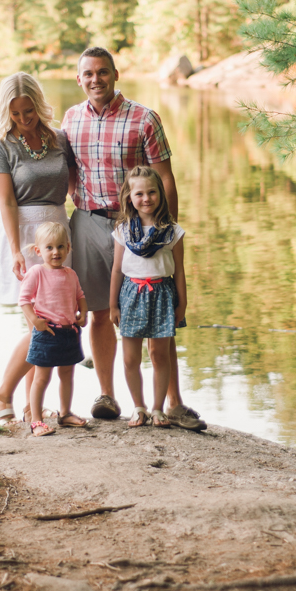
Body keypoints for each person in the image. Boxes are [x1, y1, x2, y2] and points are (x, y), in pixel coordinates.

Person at [62, 46, 205, 430]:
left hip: (140, 227)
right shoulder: (71, 119)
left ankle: (172, 402)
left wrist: (165, 231)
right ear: (79, 79)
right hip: (89, 223)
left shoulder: (143, 118)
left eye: (103, 72)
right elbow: (72, 171)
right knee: (99, 312)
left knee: (160, 312)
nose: (96, 80)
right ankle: (107, 396)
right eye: (88, 73)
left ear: (116, 74)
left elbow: (166, 177)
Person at [0, 72, 76, 425]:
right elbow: (6, 203)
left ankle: (28, 408)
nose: (23, 119)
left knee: (49, 317)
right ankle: (2, 395)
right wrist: (17, 250)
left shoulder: (58, 139)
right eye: (16, 113)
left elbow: (72, 185)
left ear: (39, 105)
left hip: (56, 230)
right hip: (22, 233)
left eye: (29, 111)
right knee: (39, 322)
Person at [109, 167, 187, 427]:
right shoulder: (123, 230)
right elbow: (117, 269)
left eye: (152, 192)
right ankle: (138, 407)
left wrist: (182, 304)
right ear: (129, 197)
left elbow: (179, 270)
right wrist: (113, 305)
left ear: (160, 194)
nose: (146, 198)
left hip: (162, 294)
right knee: (131, 357)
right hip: (131, 294)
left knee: (159, 355)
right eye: (139, 193)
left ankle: (157, 409)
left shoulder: (172, 231)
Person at [19, 222, 89, 436]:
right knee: (42, 377)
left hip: (69, 332)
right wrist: (35, 321)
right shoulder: (36, 273)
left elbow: (80, 296)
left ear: (68, 248)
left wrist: (83, 314)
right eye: (49, 248)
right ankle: (36, 420)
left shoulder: (70, 274)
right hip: (47, 332)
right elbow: (24, 300)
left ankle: (65, 413)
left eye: (60, 246)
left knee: (67, 374)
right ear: (38, 251)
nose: (55, 252)